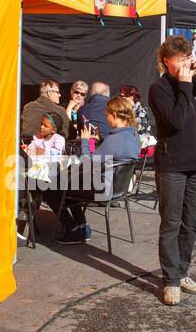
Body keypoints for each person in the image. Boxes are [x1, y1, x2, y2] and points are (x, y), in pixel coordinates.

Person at [148, 36, 196, 305]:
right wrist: (184, 84)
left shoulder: (194, 81)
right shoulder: (159, 89)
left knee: (192, 223)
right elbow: (176, 121)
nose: (184, 63)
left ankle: (181, 273)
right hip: (172, 167)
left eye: (186, 57)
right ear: (166, 61)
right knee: (170, 223)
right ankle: (170, 281)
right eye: (178, 59)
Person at [55, 97, 144, 245]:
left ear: (114, 115)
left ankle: (75, 228)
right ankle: (80, 225)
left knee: (55, 186)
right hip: (119, 188)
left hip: (102, 189)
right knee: (68, 183)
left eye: (107, 114)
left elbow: (87, 162)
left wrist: (85, 140)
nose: (106, 118)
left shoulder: (114, 139)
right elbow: (116, 153)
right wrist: (101, 140)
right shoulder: (134, 136)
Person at [21, 79, 68, 143]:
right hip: (48, 149)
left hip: (25, 147)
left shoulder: (27, 107)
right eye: (57, 92)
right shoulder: (60, 110)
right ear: (49, 93)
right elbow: (64, 135)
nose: (60, 95)